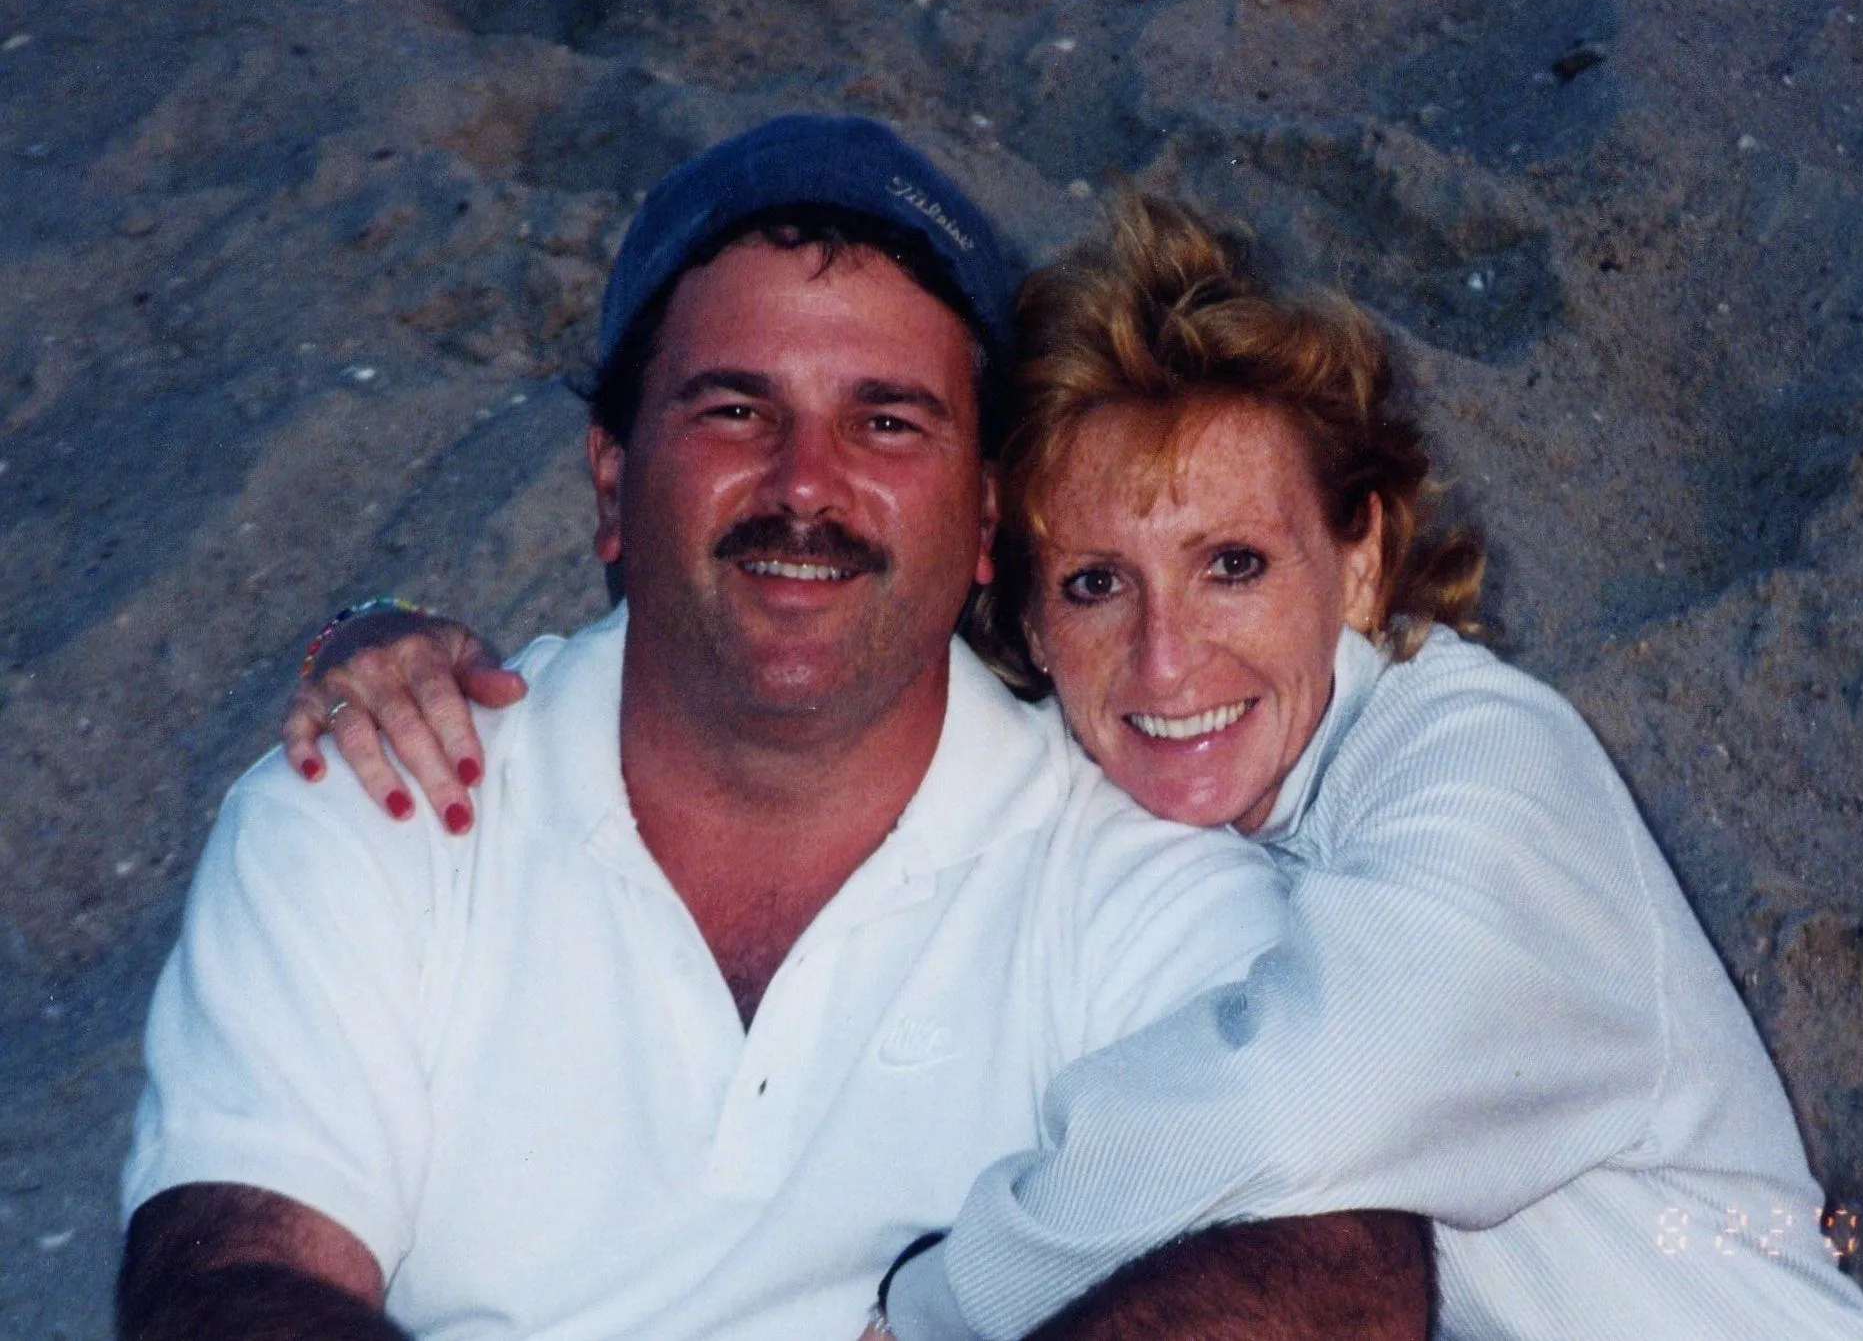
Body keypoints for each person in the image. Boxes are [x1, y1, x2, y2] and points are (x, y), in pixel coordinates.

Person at [293, 193, 1863, 1340]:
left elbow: (1298, 1101)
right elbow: (795, 643)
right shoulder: (1108, 801)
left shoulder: (1483, 760)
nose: (1164, 663)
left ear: (1359, 557)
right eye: (1093, 585)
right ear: (1018, 609)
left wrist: (930, 1310)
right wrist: (382, 634)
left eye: (1233, 566)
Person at [119, 117, 1431, 1341]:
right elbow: (226, 1274)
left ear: (986, 519)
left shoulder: (1131, 869)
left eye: (885, 421)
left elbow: (1338, 1260)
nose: (806, 485)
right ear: (613, 479)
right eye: (735, 410)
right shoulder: (375, 799)